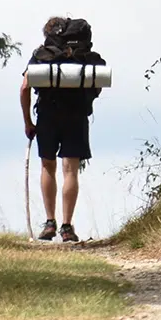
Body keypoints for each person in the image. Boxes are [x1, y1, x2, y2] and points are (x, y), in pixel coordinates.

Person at [19, 16, 104, 243]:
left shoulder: (41, 55)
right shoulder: (83, 56)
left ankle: (49, 223)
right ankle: (67, 227)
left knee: (48, 166)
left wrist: (28, 122)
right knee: (70, 171)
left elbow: (25, 87)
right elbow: (97, 83)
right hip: (76, 115)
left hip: (48, 114)